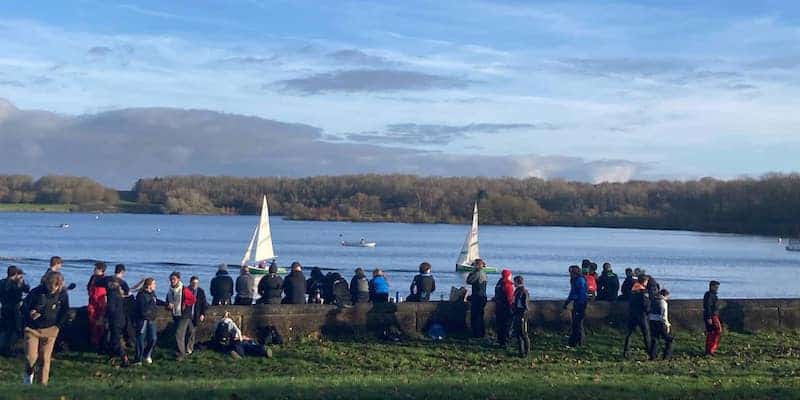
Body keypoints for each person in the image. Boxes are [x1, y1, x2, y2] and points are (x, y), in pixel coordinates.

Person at [22, 271, 69, 385]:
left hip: (50, 330)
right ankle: (28, 379)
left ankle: (42, 384)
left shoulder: (63, 294)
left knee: (45, 358)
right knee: (31, 357)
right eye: (51, 286)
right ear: (46, 282)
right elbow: (24, 307)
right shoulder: (36, 292)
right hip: (32, 329)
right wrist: (31, 313)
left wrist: (57, 327)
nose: (53, 289)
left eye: (56, 287)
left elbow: (65, 311)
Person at [103, 264, 131, 366]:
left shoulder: (107, 280)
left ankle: (117, 357)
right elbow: (128, 293)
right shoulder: (123, 283)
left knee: (113, 336)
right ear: (122, 272)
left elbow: (96, 281)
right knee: (115, 336)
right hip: (119, 314)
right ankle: (120, 357)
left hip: (110, 312)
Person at [165, 271, 196, 360]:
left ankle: (181, 354)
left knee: (179, 334)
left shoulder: (184, 289)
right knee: (191, 331)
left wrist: (185, 304)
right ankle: (188, 349)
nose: (172, 281)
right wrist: (168, 305)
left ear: (178, 279)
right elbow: (167, 302)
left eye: (174, 279)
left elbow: (193, 299)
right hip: (176, 314)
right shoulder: (170, 291)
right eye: (171, 279)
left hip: (184, 314)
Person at [0, 266, 30, 356]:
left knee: (5, 329)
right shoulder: (16, 284)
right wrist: (21, 284)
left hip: (4, 308)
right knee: (16, 329)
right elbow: (26, 290)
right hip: (15, 309)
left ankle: (3, 347)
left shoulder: (1, 282)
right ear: (16, 274)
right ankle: (9, 348)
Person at [623, 275, 652, 359]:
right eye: (646, 281)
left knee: (629, 334)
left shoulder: (633, 289)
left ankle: (626, 351)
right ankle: (650, 352)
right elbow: (645, 304)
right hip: (641, 315)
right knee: (646, 334)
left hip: (632, 313)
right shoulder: (643, 291)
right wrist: (648, 310)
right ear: (644, 281)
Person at [133, 278, 159, 365]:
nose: (155, 285)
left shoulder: (153, 294)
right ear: (149, 285)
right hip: (142, 321)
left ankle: (147, 354)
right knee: (140, 340)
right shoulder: (141, 295)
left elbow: (156, 302)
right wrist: (152, 302)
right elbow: (143, 310)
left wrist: (166, 304)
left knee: (153, 338)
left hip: (152, 320)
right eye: (154, 284)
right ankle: (138, 359)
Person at [563, 265, 588, 348]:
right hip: (578, 303)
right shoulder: (576, 280)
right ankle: (575, 342)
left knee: (577, 324)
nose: (570, 275)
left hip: (580, 303)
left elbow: (577, 293)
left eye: (571, 273)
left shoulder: (579, 281)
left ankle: (578, 343)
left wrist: (569, 301)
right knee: (576, 323)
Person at [86, 262, 107, 351]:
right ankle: (94, 343)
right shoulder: (93, 278)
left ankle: (99, 344)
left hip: (100, 303)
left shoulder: (104, 279)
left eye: (96, 269)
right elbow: (88, 288)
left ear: (100, 270)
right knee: (92, 324)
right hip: (92, 303)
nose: (94, 270)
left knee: (99, 325)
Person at [648, 288, 674, 361]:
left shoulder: (652, 301)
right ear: (665, 295)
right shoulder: (663, 303)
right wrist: (667, 325)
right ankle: (666, 357)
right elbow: (664, 315)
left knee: (655, 339)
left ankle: (652, 357)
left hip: (652, 321)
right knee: (669, 340)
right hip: (660, 323)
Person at [466, 259, 488, 338]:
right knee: (480, 316)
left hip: (477, 297)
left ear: (477, 265)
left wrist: (471, 272)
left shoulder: (477, 273)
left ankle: (476, 334)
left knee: (475, 316)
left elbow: (468, 281)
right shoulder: (484, 273)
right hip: (482, 296)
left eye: (474, 265)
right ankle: (481, 333)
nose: (473, 266)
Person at [187, 276, 208, 355]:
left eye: (196, 283)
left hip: (196, 314)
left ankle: (190, 349)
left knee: (192, 332)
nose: (195, 284)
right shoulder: (186, 290)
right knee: (190, 331)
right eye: (193, 283)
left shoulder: (200, 291)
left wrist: (203, 314)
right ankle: (188, 348)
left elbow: (204, 303)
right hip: (187, 314)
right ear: (190, 283)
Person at [494, 269, 514, 347]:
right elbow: (510, 298)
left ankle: (501, 341)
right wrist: (511, 307)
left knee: (500, 325)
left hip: (498, 307)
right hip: (506, 308)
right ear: (508, 275)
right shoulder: (508, 285)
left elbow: (497, 295)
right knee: (507, 325)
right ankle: (505, 342)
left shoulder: (499, 284)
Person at [512, 275, 530, 357]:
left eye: (514, 281)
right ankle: (521, 351)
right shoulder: (517, 291)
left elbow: (525, 304)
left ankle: (526, 352)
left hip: (522, 313)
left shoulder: (523, 291)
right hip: (517, 313)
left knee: (523, 333)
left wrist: (524, 313)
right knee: (518, 333)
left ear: (517, 282)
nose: (513, 283)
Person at [704, 280, 722, 356]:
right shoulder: (710, 295)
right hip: (712, 316)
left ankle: (709, 350)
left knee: (711, 332)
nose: (717, 288)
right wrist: (709, 317)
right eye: (716, 287)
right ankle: (710, 349)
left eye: (717, 287)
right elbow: (708, 307)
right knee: (717, 331)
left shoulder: (711, 295)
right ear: (711, 286)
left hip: (712, 315)